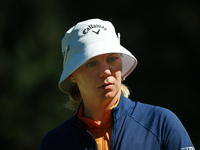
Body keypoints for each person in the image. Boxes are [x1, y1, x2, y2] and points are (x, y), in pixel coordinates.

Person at [39, 19, 194, 150]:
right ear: (72, 75)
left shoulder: (161, 124)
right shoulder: (54, 143)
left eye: (112, 59)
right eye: (91, 63)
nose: (105, 71)